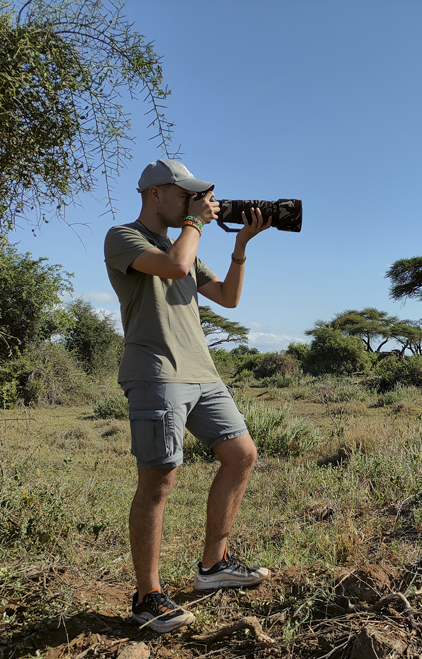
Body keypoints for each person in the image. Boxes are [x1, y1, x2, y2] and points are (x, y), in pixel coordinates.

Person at [104, 159, 271, 633]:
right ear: (156, 193)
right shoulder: (124, 237)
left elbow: (228, 297)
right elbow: (174, 266)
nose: (196, 204)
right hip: (156, 373)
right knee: (160, 480)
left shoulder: (185, 244)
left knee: (241, 455)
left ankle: (213, 566)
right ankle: (147, 596)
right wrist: (197, 222)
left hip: (202, 372)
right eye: (187, 196)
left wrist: (239, 247)